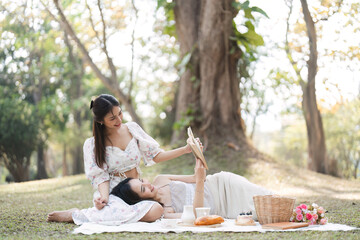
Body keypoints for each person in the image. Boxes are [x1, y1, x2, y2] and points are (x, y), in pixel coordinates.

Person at [47, 94, 194, 225]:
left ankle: (102, 215)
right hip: (114, 193)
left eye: (120, 113)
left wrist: (185, 149)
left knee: (157, 209)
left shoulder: (132, 129)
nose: (119, 120)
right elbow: (101, 177)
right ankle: (75, 215)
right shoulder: (92, 144)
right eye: (112, 118)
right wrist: (104, 198)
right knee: (151, 210)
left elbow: (155, 155)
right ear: (100, 121)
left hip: (135, 191)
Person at [111, 158, 273, 220]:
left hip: (222, 184)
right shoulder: (166, 212)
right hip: (225, 209)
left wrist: (198, 163)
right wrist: (200, 181)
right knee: (263, 214)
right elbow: (197, 215)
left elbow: (194, 179)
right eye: (143, 189)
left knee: (268, 197)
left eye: (142, 181)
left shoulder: (161, 179)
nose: (147, 184)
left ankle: (298, 211)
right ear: (142, 200)